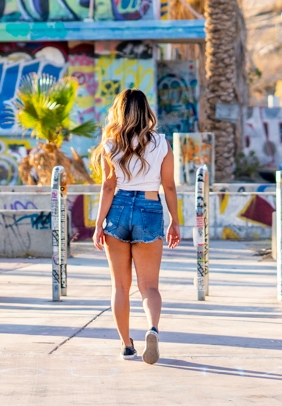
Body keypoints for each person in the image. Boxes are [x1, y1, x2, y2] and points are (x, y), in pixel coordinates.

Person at [92, 88, 181, 364]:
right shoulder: (162, 144)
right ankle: (152, 329)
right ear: (146, 111)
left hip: (117, 209)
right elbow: (168, 186)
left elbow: (108, 187)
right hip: (150, 207)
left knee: (120, 286)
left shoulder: (110, 144)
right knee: (149, 286)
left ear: (120, 111)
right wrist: (174, 221)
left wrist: (98, 225)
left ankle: (126, 345)